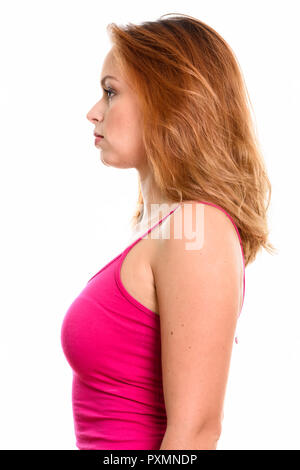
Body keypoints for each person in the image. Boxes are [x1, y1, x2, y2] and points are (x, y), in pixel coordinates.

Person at [61, 13, 276, 450]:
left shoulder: (198, 231)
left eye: (110, 92)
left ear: (170, 101)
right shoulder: (170, 228)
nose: (93, 112)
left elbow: (196, 433)